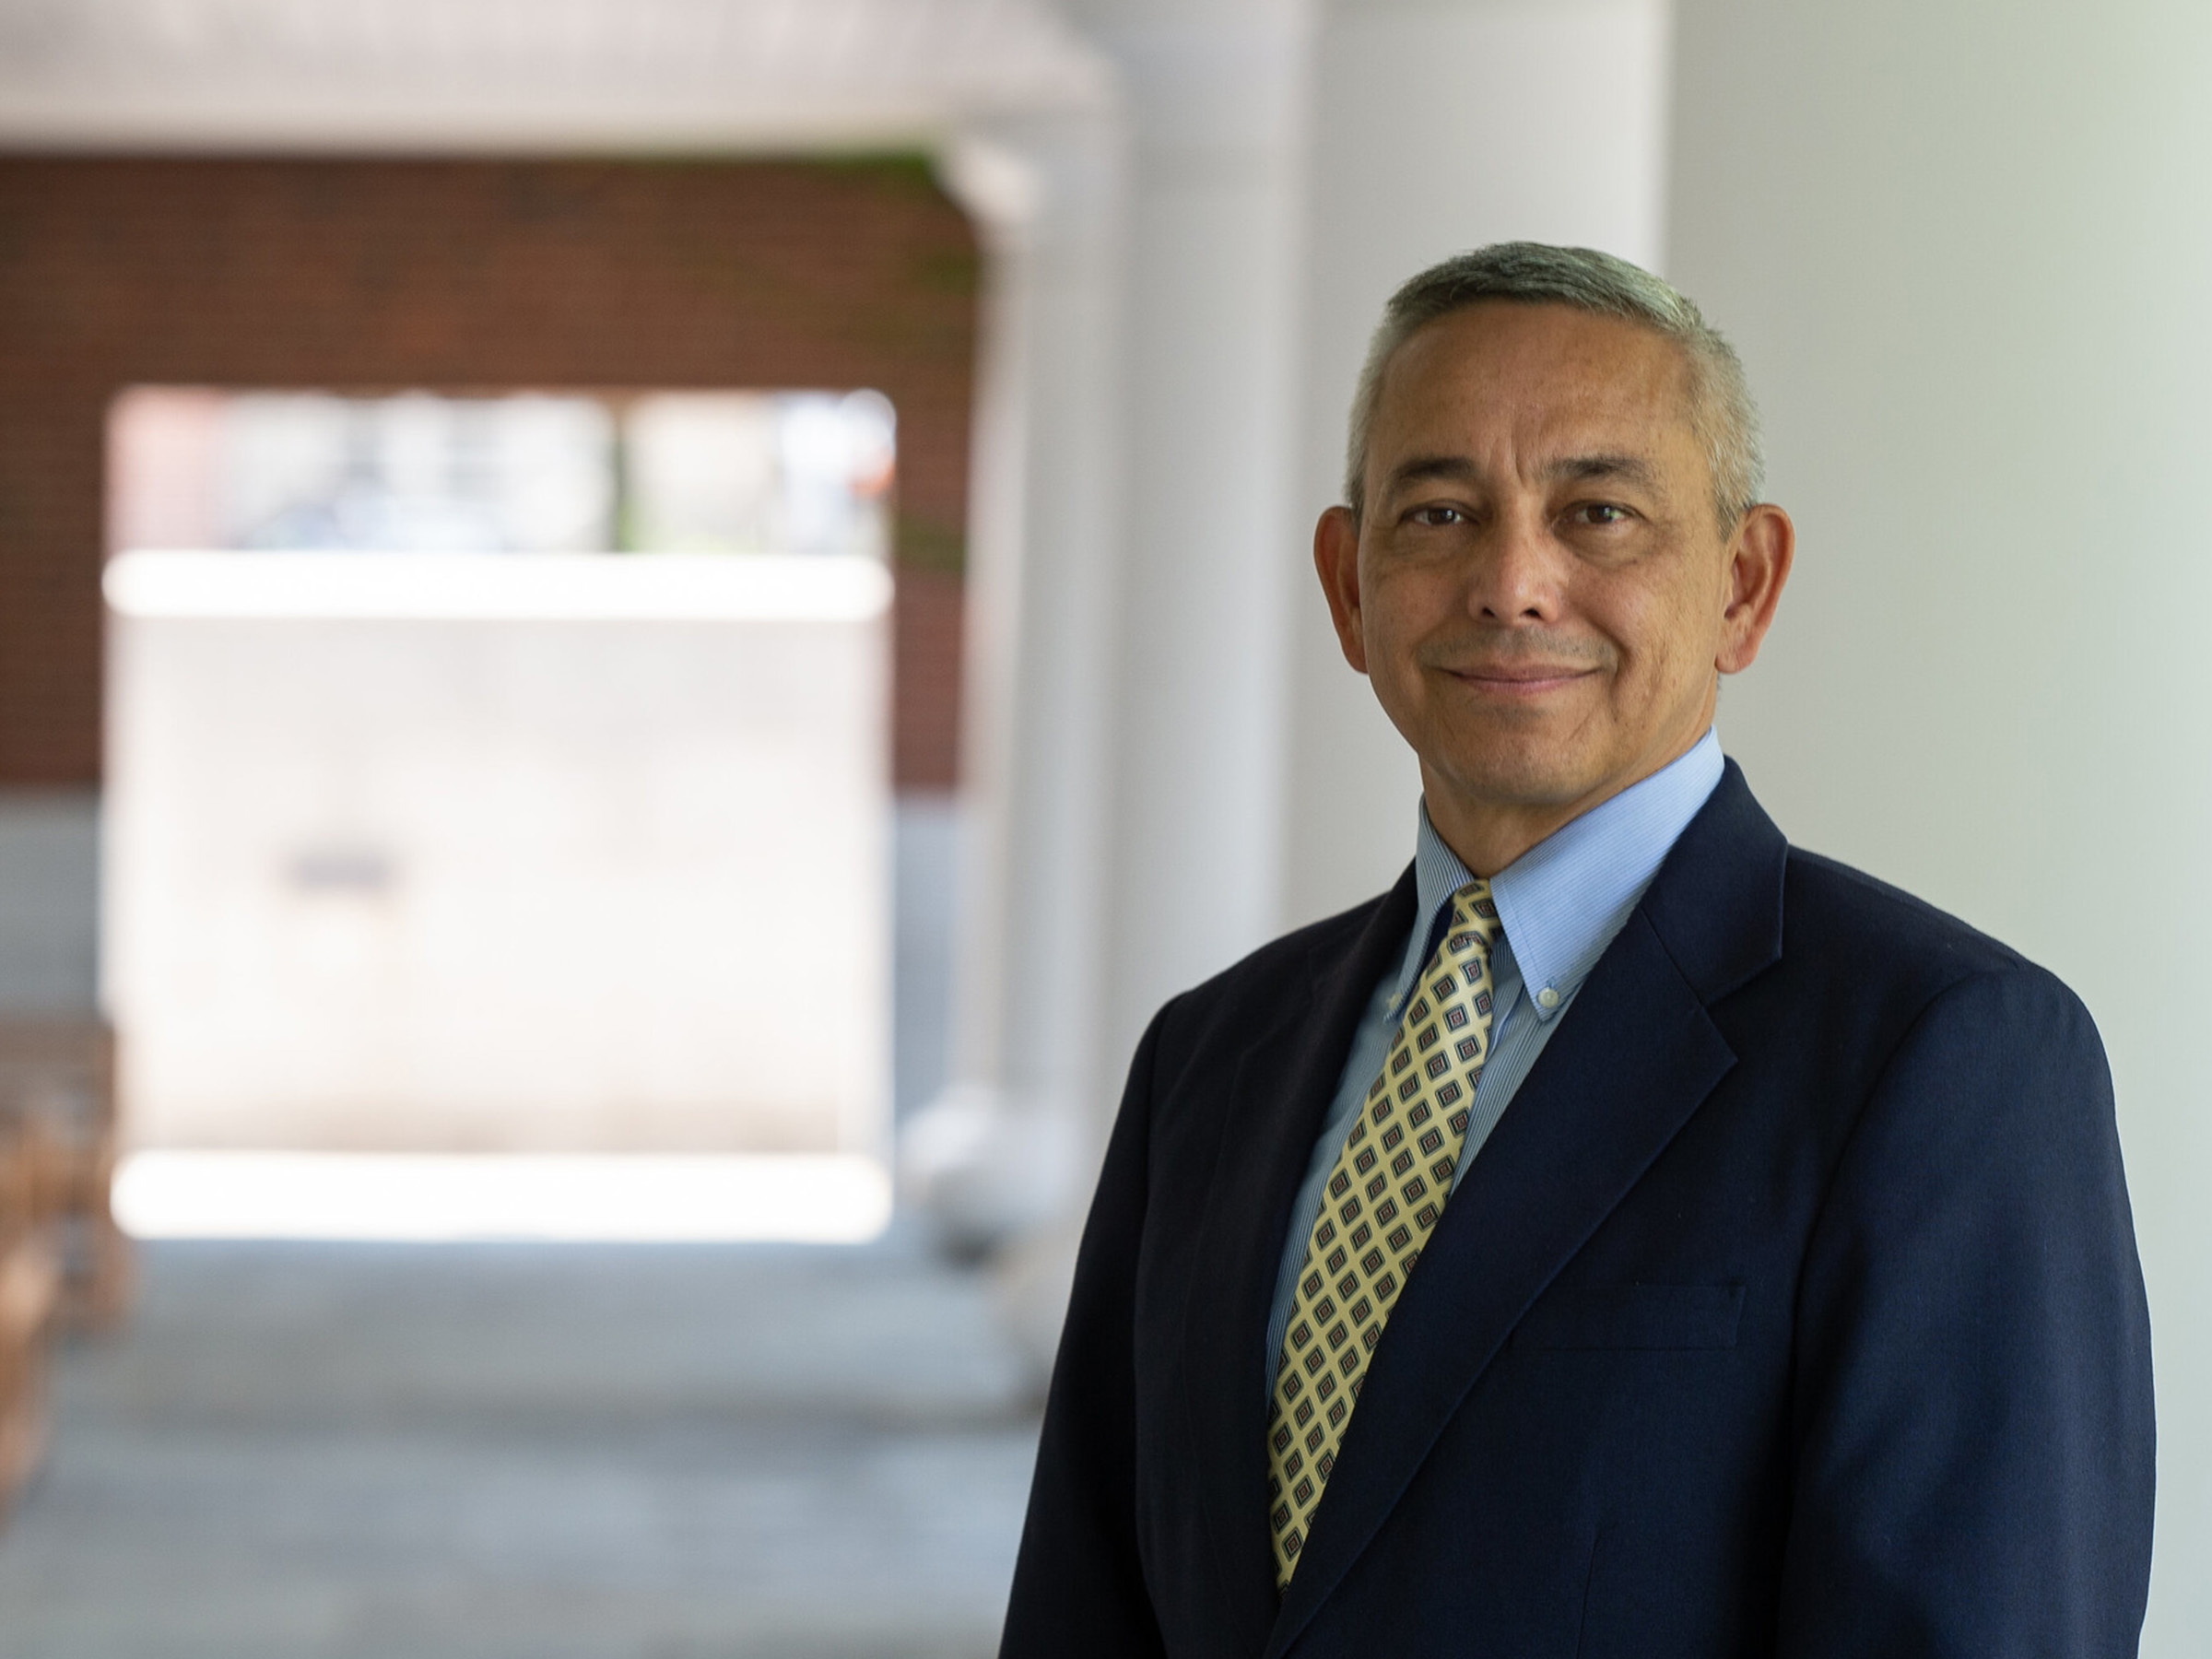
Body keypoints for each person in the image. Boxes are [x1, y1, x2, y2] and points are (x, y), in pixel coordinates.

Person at [996, 242, 2156, 1657]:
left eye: (1597, 512)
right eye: (1437, 512)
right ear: (1348, 587)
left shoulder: (1944, 1056)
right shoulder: (1209, 1058)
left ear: (1743, 583)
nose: (1513, 582)